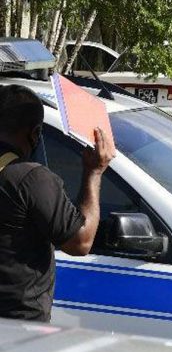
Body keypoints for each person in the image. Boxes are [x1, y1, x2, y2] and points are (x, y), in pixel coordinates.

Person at [0, 85, 114, 322]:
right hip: (16, 331)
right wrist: (94, 172)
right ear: (36, 133)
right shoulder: (29, 178)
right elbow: (80, 242)